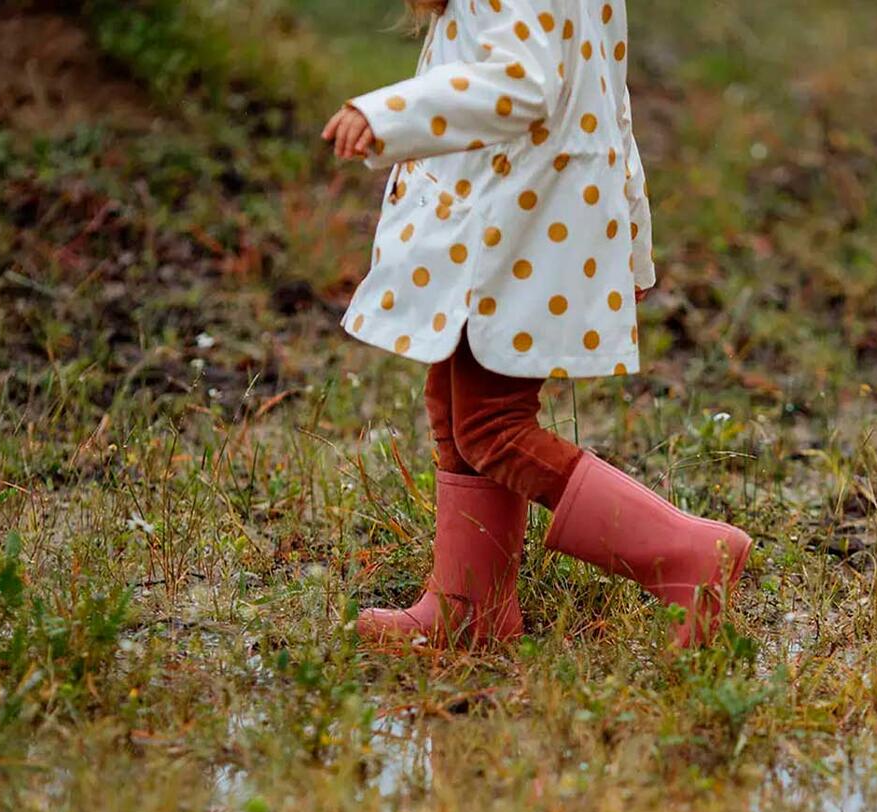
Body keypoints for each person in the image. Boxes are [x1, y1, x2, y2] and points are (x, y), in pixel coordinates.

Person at [322, 0, 751, 649]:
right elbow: (608, 100)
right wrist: (631, 232)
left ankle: (686, 551)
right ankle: (470, 608)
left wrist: (387, 115)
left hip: (513, 230)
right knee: (455, 410)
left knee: (494, 428)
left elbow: (519, 85)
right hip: (517, 220)